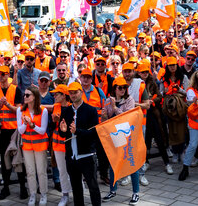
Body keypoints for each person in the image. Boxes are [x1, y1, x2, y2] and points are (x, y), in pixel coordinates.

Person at [58, 82, 101, 206]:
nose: (73, 95)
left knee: (93, 187)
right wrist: (63, 131)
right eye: (70, 93)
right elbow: (62, 134)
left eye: (75, 92)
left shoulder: (91, 110)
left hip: (87, 156)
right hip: (72, 157)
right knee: (76, 189)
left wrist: (78, 131)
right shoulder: (65, 111)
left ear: (81, 92)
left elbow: (94, 133)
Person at [102, 76, 140, 205]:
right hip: (115, 135)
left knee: (131, 163)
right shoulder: (108, 100)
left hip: (128, 134)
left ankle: (136, 193)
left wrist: (114, 107)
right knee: (114, 164)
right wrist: (104, 116)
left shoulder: (130, 100)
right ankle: (113, 190)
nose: (123, 89)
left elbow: (126, 118)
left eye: (125, 87)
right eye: (120, 87)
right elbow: (105, 121)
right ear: (115, 88)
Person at [0, 64, 26, 201]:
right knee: (5, 161)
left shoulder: (16, 90)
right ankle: (6, 187)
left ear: (8, 75)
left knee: (19, 159)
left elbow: (19, 110)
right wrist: (0, 107)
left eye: (4, 74)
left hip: (15, 130)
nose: (1, 76)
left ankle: (23, 187)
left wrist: (7, 105)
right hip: (2, 131)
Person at [18, 85, 48, 206]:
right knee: (30, 171)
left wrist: (32, 125)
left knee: (41, 171)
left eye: (27, 95)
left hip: (40, 145)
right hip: (27, 146)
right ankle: (32, 194)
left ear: (34, 97)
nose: (25, 97)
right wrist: (25, 124)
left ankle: (43, 194)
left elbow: (43, 130)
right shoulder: (20, 110)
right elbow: (20, 130)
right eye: (24, 95)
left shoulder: (43, 110)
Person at [49, 84, 71, 206]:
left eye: (57, 94)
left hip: (69, 144)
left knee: (73, 170)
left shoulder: (71, 107)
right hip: (57, 144)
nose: (54, 95)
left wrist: (59, 119)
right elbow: (52, 127)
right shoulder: (55, 106)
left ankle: (79, 191)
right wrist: (53, 121)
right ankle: (65, 195)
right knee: (62, 170)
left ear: (63, 95)